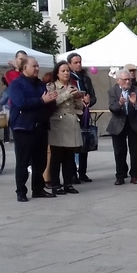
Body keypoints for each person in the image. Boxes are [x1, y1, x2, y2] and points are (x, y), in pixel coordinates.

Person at [9, 58, 58, 201]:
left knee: (40, 161)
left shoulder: (41, 85)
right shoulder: (16, 84)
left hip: (40, 127)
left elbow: (48, 104)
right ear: (24, 68)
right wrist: (42, 101)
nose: (37, 68)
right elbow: (21, 103)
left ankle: (38, 189)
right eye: (34, 66)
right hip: (23, 128)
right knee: (23, 161)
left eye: (38, 66)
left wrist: (51, 101)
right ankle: (21, 191)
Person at [47, 61, 84, 194]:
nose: (66, 73)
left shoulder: (72, 86)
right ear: (57, 73)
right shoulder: (52, 86)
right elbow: (52, 103)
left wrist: (79, 98)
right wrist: (67, 93)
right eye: (63, 71)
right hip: (58, 123)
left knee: (69, 156)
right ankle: (55, 184)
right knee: (56, 156)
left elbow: (78, 107)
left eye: (68, 71)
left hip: (71, 123)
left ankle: (68, 183)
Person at [107, 69, 137, 185]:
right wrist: (120, 103)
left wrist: (135, 103)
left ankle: (134, 175)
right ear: (118, 80)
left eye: (129, 79)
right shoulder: (113, 91)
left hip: (133, 122)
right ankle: (120, 175)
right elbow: (112, 108)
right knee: (119, 151)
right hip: (118, 123)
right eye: (125, 79)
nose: (128, 82)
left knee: (135, 151)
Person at [67, 53, 96, 183]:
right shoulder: (68, 78)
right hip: (72, 114)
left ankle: (82, 172)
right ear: (69, 64)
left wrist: (89, 101)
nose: (79, 65)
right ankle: (72, 173)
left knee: (84, 143)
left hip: (84, 114)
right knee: (72, 144)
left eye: (80, 62)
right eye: (75, 62)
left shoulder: (85, 78)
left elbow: (93, 96)